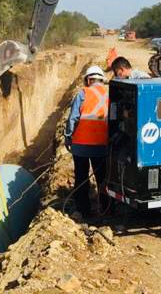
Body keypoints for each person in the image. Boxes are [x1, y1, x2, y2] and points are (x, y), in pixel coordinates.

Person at [64, 65, 110, 219]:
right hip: (102, 146)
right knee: (102, 178)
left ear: (89, 80)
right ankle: (106, 209)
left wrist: (68, 137)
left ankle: (84, 211)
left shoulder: (83, 94)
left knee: (81, 178)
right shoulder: (109, 96)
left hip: (81, 146)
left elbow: (73, 119)